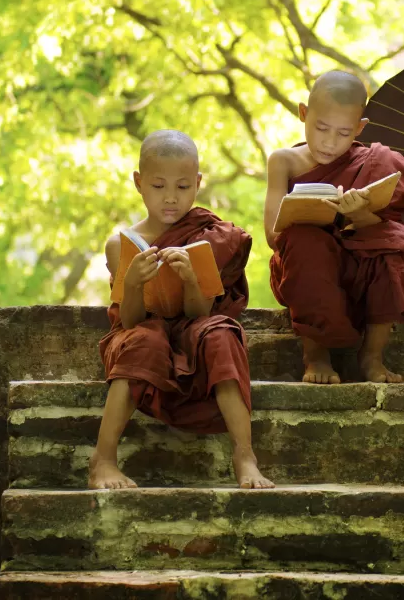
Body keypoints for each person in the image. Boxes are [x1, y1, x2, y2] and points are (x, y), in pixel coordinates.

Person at [92, 129, 273, 490]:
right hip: (143, 330)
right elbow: (130, 321)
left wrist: (192, 280)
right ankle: (103, 459)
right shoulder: (121, 244)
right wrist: (132, 284)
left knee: (221, 333)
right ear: (139, 183)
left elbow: (199, 313)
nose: (171, 198)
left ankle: (245, 454)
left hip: (193, 328)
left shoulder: (206, 238)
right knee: (146, 339)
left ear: (198, 183)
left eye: (183, 187)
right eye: (159, 187)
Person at [265, 71, 404, 384]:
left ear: (359, 128)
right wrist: (309, 212)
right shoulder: (283, 161)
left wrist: (361, 212)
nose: (329, 141)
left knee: (393, 242)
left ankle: (371, 356)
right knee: (304, 240)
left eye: (342, 133)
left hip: (357, 266)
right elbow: (274, 235)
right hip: (305, 265)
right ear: (303, 114)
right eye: (321, 128)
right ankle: (315, 355)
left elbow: (384, 225)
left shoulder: (373, 161)